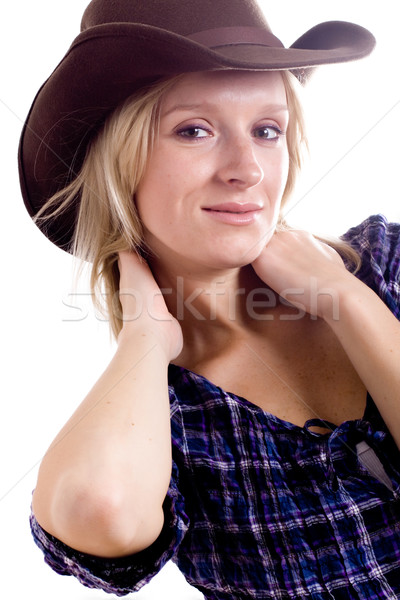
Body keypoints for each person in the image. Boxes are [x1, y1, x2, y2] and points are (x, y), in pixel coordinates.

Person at [19, 0, 400, 597]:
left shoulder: (384, 264)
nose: (247, 169)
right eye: (194, 130)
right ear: (118, 164)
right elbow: (99, 508)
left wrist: (344, 299)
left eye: (267, 130)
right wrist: (147, 340)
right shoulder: (161, 422)